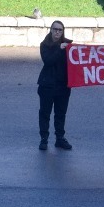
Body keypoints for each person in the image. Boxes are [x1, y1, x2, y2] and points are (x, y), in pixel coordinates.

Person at [37, 20, 73, 151]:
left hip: (63, 85)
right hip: (47, 85)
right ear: (51, 30)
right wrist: (59, 49)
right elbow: (48, 61)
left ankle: (60, 138)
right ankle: (44, 139)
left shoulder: (69, 45)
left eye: (60, 30)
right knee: (45, 113)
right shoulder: (44, 45)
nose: (57, 32)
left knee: (61, 113)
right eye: (55, 29)